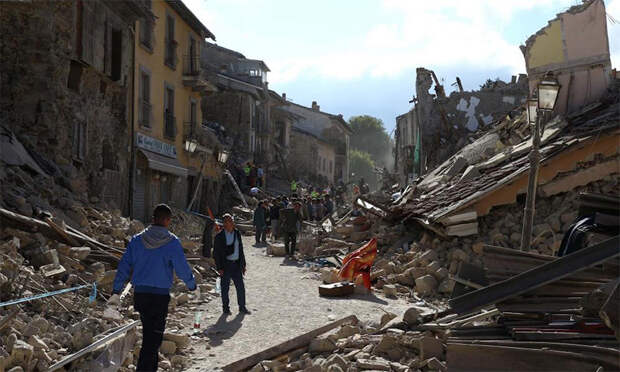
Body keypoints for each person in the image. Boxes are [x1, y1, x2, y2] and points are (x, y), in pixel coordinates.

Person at [109, 204, 196, 372]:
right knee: (153, 339)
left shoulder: (136, 240)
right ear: (168, 221)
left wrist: (116, 290)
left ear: (153, 218)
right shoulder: (172, 242)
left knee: (150, 336)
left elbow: (124, 266)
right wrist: (192, 286)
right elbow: (182, 268)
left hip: (141, 295)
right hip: (160, 297)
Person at [213, 214, 250, 315]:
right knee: (225, 288)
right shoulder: (219, 237)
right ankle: (226, 308)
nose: (230, 223)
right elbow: (216, 254)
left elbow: (240, 249)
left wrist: (243, 264)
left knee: (240, 287)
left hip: (237, 264)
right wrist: (219, 267)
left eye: (231, 221)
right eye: (227, 221)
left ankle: (242, 307)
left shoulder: (237, 233)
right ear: (224, 223)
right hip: (225, 265)